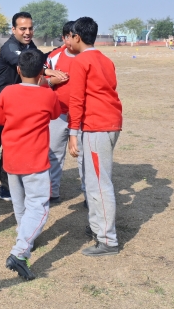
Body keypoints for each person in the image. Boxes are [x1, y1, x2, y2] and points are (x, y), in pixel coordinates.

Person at [0, 49, 60, 280]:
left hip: (12, 158)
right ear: (42, 71)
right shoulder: (47, 95)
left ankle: (24, 238)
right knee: (39, 207)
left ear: (18, 69)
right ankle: (20, 251)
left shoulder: (7, 92)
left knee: (20, 205)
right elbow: (55, 114)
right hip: (35, 160)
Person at [67, 16, 124, 256]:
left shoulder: (81, 61)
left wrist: (73, 132)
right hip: (109, 123)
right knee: (94, 181)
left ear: (77, 37)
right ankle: (97, 227)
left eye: (71, 36)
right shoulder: (105, 59)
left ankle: (108, 240)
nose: (69, 40)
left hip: (97, 126)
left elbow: (76, 99)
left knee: (99, 183)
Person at [0, 12, 37, 205]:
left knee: (11, 148)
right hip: (0, 104)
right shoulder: (9, 47)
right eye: (23, 28)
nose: (27, 32)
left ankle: (6, 187)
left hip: (19, 105)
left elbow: (40, 59)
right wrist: (47, 69)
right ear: (13, 29)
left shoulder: (31, 47)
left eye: (30, 28)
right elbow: (27, 63)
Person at [43, 21, 82, 206]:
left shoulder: (86, 56)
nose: (68, 40)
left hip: (82, 116)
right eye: (66, 36)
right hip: (57, 114)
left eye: (72, 36)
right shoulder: (54, 56)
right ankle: (53, 192)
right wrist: (52, 81)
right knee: (54, 153)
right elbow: (41, 81)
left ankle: (90, 194)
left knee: (83, 156)